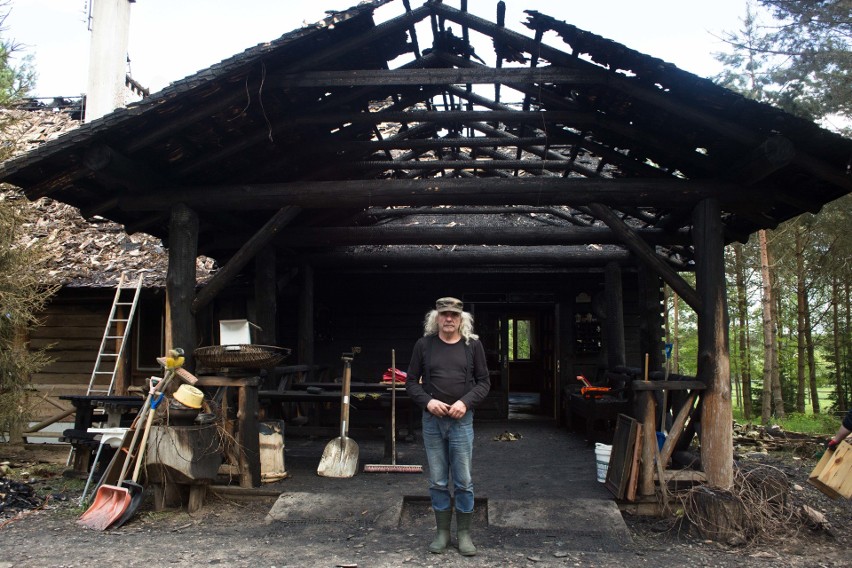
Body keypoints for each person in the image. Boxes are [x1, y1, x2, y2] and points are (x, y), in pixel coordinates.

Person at [405, 297, 490, 556]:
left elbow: (484, 382)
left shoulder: (472, 346)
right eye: (444, 314)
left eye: (454, 314)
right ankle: (442, 533)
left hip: (461, 421)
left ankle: (463, 534)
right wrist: (428, 402)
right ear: (436, 318)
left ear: (461, 318)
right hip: (432, 421)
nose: (449, 318)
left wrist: (465, 402)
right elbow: (410, 382)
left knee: (463, 480)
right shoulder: (424, 345)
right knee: (438, 480)